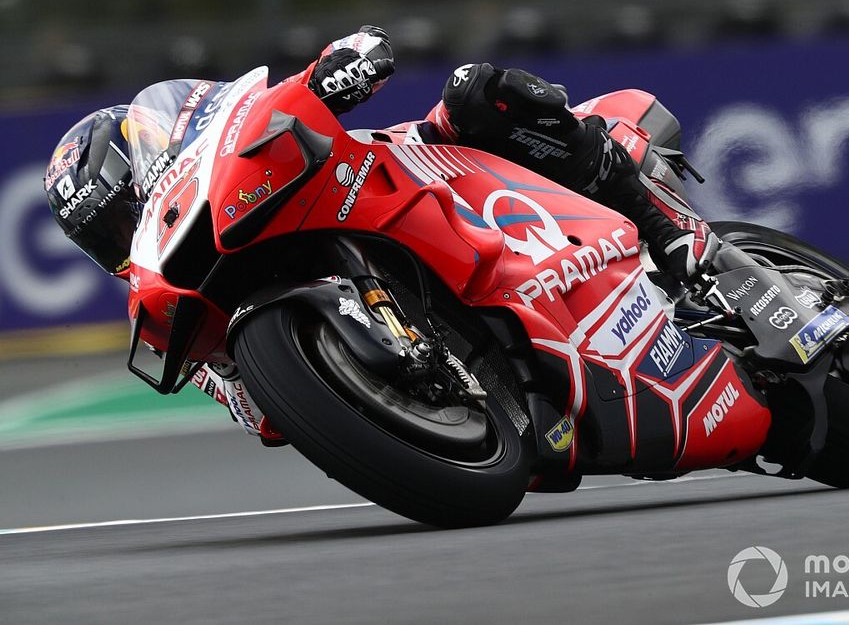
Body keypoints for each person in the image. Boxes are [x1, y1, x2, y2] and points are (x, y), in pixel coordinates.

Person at [43, 26, 716, 444]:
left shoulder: (220, 140)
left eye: (119, 213)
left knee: (474, 92)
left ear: (145, 157)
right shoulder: (187, 314)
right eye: (104, 237)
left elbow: (364, 51)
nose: (124, 237)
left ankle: (665, 225)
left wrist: (344, 67)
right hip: (501, 411)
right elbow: (266, 417)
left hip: (410, 172)